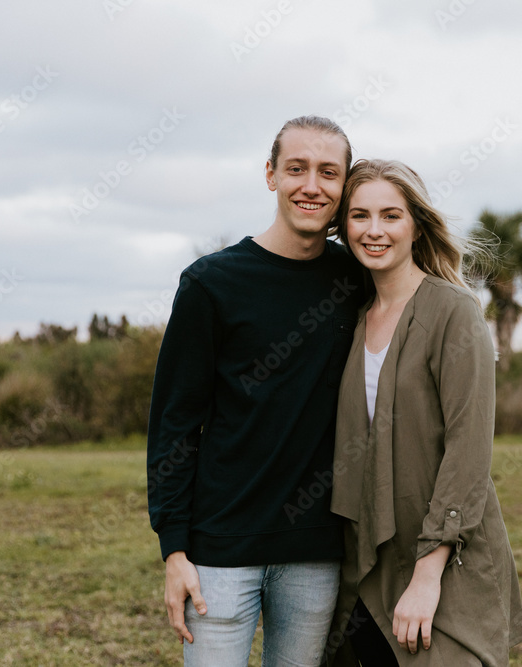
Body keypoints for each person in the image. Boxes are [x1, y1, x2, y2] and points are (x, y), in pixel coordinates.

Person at [146, 115, 368, 666]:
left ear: (344, 189)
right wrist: (174, 548)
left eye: (328, 173)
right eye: (296, 169)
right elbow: (174, 422)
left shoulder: (357, 280)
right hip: (218, 551)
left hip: (315, 552)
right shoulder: (211, 283)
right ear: (271, 175)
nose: (311, 185)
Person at [325, 159, 522, 665]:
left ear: (416, 224)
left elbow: (469, 449)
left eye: (391, 216)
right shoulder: (350, 317)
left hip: (442, 559)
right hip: (365, 560)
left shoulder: (454, 312)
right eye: (359, 216)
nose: (374, 230)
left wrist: (427, 574)